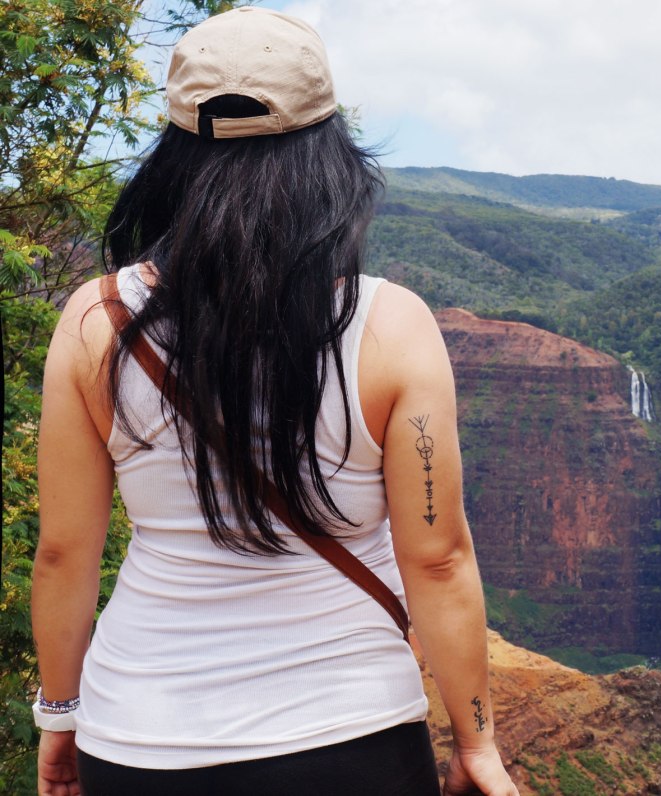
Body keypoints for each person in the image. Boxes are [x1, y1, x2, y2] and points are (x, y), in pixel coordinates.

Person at [31, 7, 518, 795]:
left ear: (173, 154)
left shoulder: (97, 322)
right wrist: (476, 742)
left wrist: (60, 717)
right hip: (350, 737)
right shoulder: (392, 328)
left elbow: (64, 554)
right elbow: (439, 559)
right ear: (330, 150)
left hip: (139, 742)